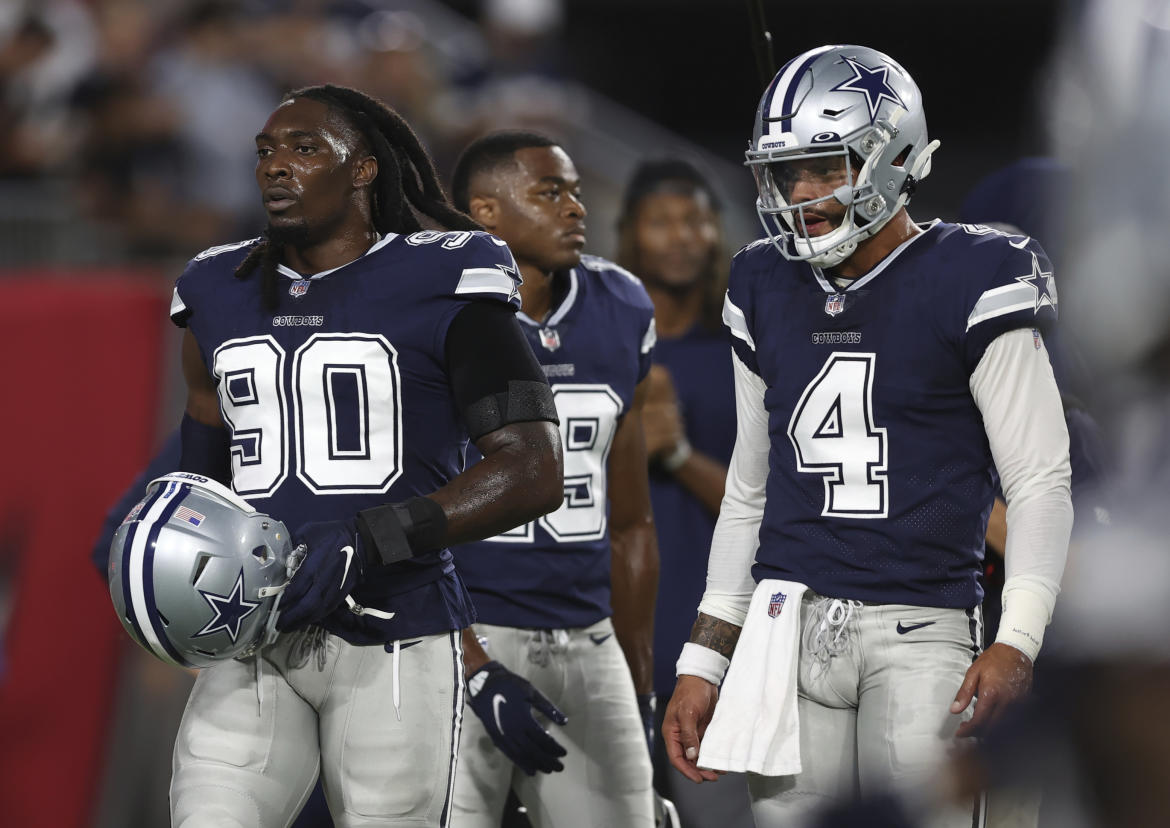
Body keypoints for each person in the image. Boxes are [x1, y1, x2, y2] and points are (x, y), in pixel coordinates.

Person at [661, 45, 1073, 828]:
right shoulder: (760, 280)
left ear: (896, 155)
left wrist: (1017, 639)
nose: (803, 194)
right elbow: (751, 492)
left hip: (919, 628)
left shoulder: (975, 271)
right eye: (786, 174)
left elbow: (1039, 480)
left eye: (827, 166)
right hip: (784, 627)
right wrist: (706, 658)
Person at [155, 85, 564, 827]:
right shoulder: (218, 288)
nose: (277, 166)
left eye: (306, 149)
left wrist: (370, 538)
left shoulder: (446, 276)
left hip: (396, 633)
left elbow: (533, 470)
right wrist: (177, 570)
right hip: (255, 634)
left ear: (366, 170)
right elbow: (201, 474)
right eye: (266, 152)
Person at [446, 130, 659, 827]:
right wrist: (466, 655)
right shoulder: (435, 311)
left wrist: (636, 672)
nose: (576, 208)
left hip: (588, 637)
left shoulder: (620, 304)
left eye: (574, 190)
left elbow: (630, 520)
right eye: (549, 193)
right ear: (485, 213)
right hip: (466, 634)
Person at [614, 159, 751, 828]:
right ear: (630, 234)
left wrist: (675, 453)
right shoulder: (597, 349)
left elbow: (769, 507)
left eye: (695, 219)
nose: (679, 236)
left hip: (715, 643)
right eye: (660, 220)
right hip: (611, 642)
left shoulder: (746, 351)